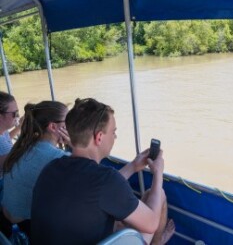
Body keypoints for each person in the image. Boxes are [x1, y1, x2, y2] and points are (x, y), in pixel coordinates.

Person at [31, 98, 175, 245]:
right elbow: (151, 225)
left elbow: (97, 188)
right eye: (113, 132)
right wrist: (158, 174)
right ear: (99, 137)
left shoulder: (51, 168)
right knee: (157, 195)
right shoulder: (106, 178)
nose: (115, 137)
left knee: (119, 220)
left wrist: (132, 166)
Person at [1, 101, 70, 238]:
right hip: (24, 225)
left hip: (5, 217)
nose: (72, 125)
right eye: (68, 120)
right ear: (53, 126)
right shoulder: (57, 157)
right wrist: (74, 145)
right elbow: (93, 177)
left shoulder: (24, 145)